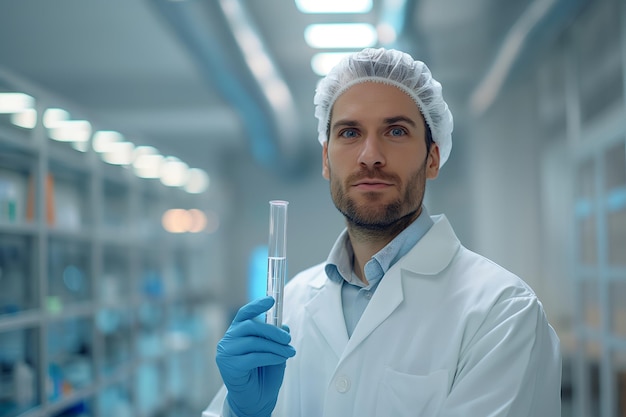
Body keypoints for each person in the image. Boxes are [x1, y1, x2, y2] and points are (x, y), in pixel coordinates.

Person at [202, 47, 561, 417]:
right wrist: (240, 412)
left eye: (395, 130)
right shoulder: (291, 303)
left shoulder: (501, 313)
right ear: (326, 160)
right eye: (350, 132)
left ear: (433, 158)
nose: (370, 155)